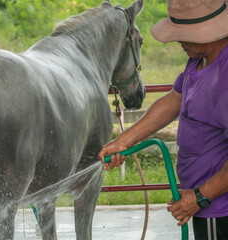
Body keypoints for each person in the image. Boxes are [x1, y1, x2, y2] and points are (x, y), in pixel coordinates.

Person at [98, 0, 228, 239]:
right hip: (206, 205)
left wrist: (201, 195)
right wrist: (123, 141)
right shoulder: (199, 60)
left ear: (208, 32)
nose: (178, 41)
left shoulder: (224, 77)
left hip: (219, 211)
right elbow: (171, 102)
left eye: (184, 34)